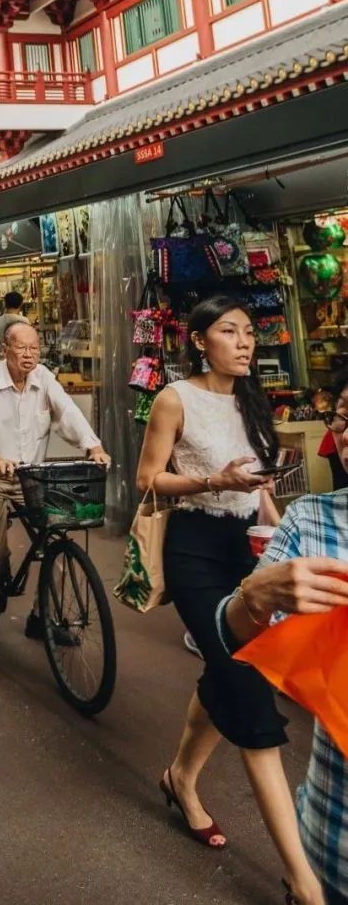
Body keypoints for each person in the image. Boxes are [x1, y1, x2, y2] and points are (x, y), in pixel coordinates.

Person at [137, 297, 322, 903]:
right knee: (247, 687)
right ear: (198, 340)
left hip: (248, 545)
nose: (245, 342)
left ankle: (181, 778)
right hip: (194, 549)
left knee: (228, 670)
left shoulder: (251, 397)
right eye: (229, 331)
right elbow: (148, 481)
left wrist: (276, 534)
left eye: (248, 333)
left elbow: (261, 487)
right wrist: (215, 481)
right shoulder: (174, 398)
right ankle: (302, 879)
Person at [217, 377, 348, 905]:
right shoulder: (315, 521)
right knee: (229, 685)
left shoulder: (247, 401)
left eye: (247, 332)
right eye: (343, 417)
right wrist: (256, 593)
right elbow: (229, 631)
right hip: (333, 838)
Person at [0, 319, 109, 642]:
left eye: (34, 348)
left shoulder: (44, 378)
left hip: (32, 477)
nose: (29, 355)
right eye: (21, 347)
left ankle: (43, 618)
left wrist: (92, 445)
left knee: (57, 542)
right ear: (4, 350)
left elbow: (68, 412)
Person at [0, 292, 26, 356]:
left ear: (5, 304)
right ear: (21, 304)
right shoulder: (25, 321)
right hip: (20, 358)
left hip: (2, 359)